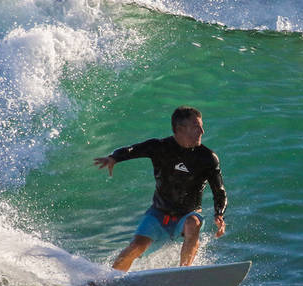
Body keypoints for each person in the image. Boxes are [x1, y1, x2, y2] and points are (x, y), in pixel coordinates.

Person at [94, 106, 228, 271]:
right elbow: (132, 150)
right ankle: (108, 279)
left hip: (186, 216)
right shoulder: (160, 147)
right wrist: (114, 158)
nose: (202, 131)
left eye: (201, 126)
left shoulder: (207, 158)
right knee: (136, 247)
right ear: (179, 129)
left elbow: (219, 190)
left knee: (193, 222)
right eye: (196, 127)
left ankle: (184, 273)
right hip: (158, 214)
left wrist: (219, 213)